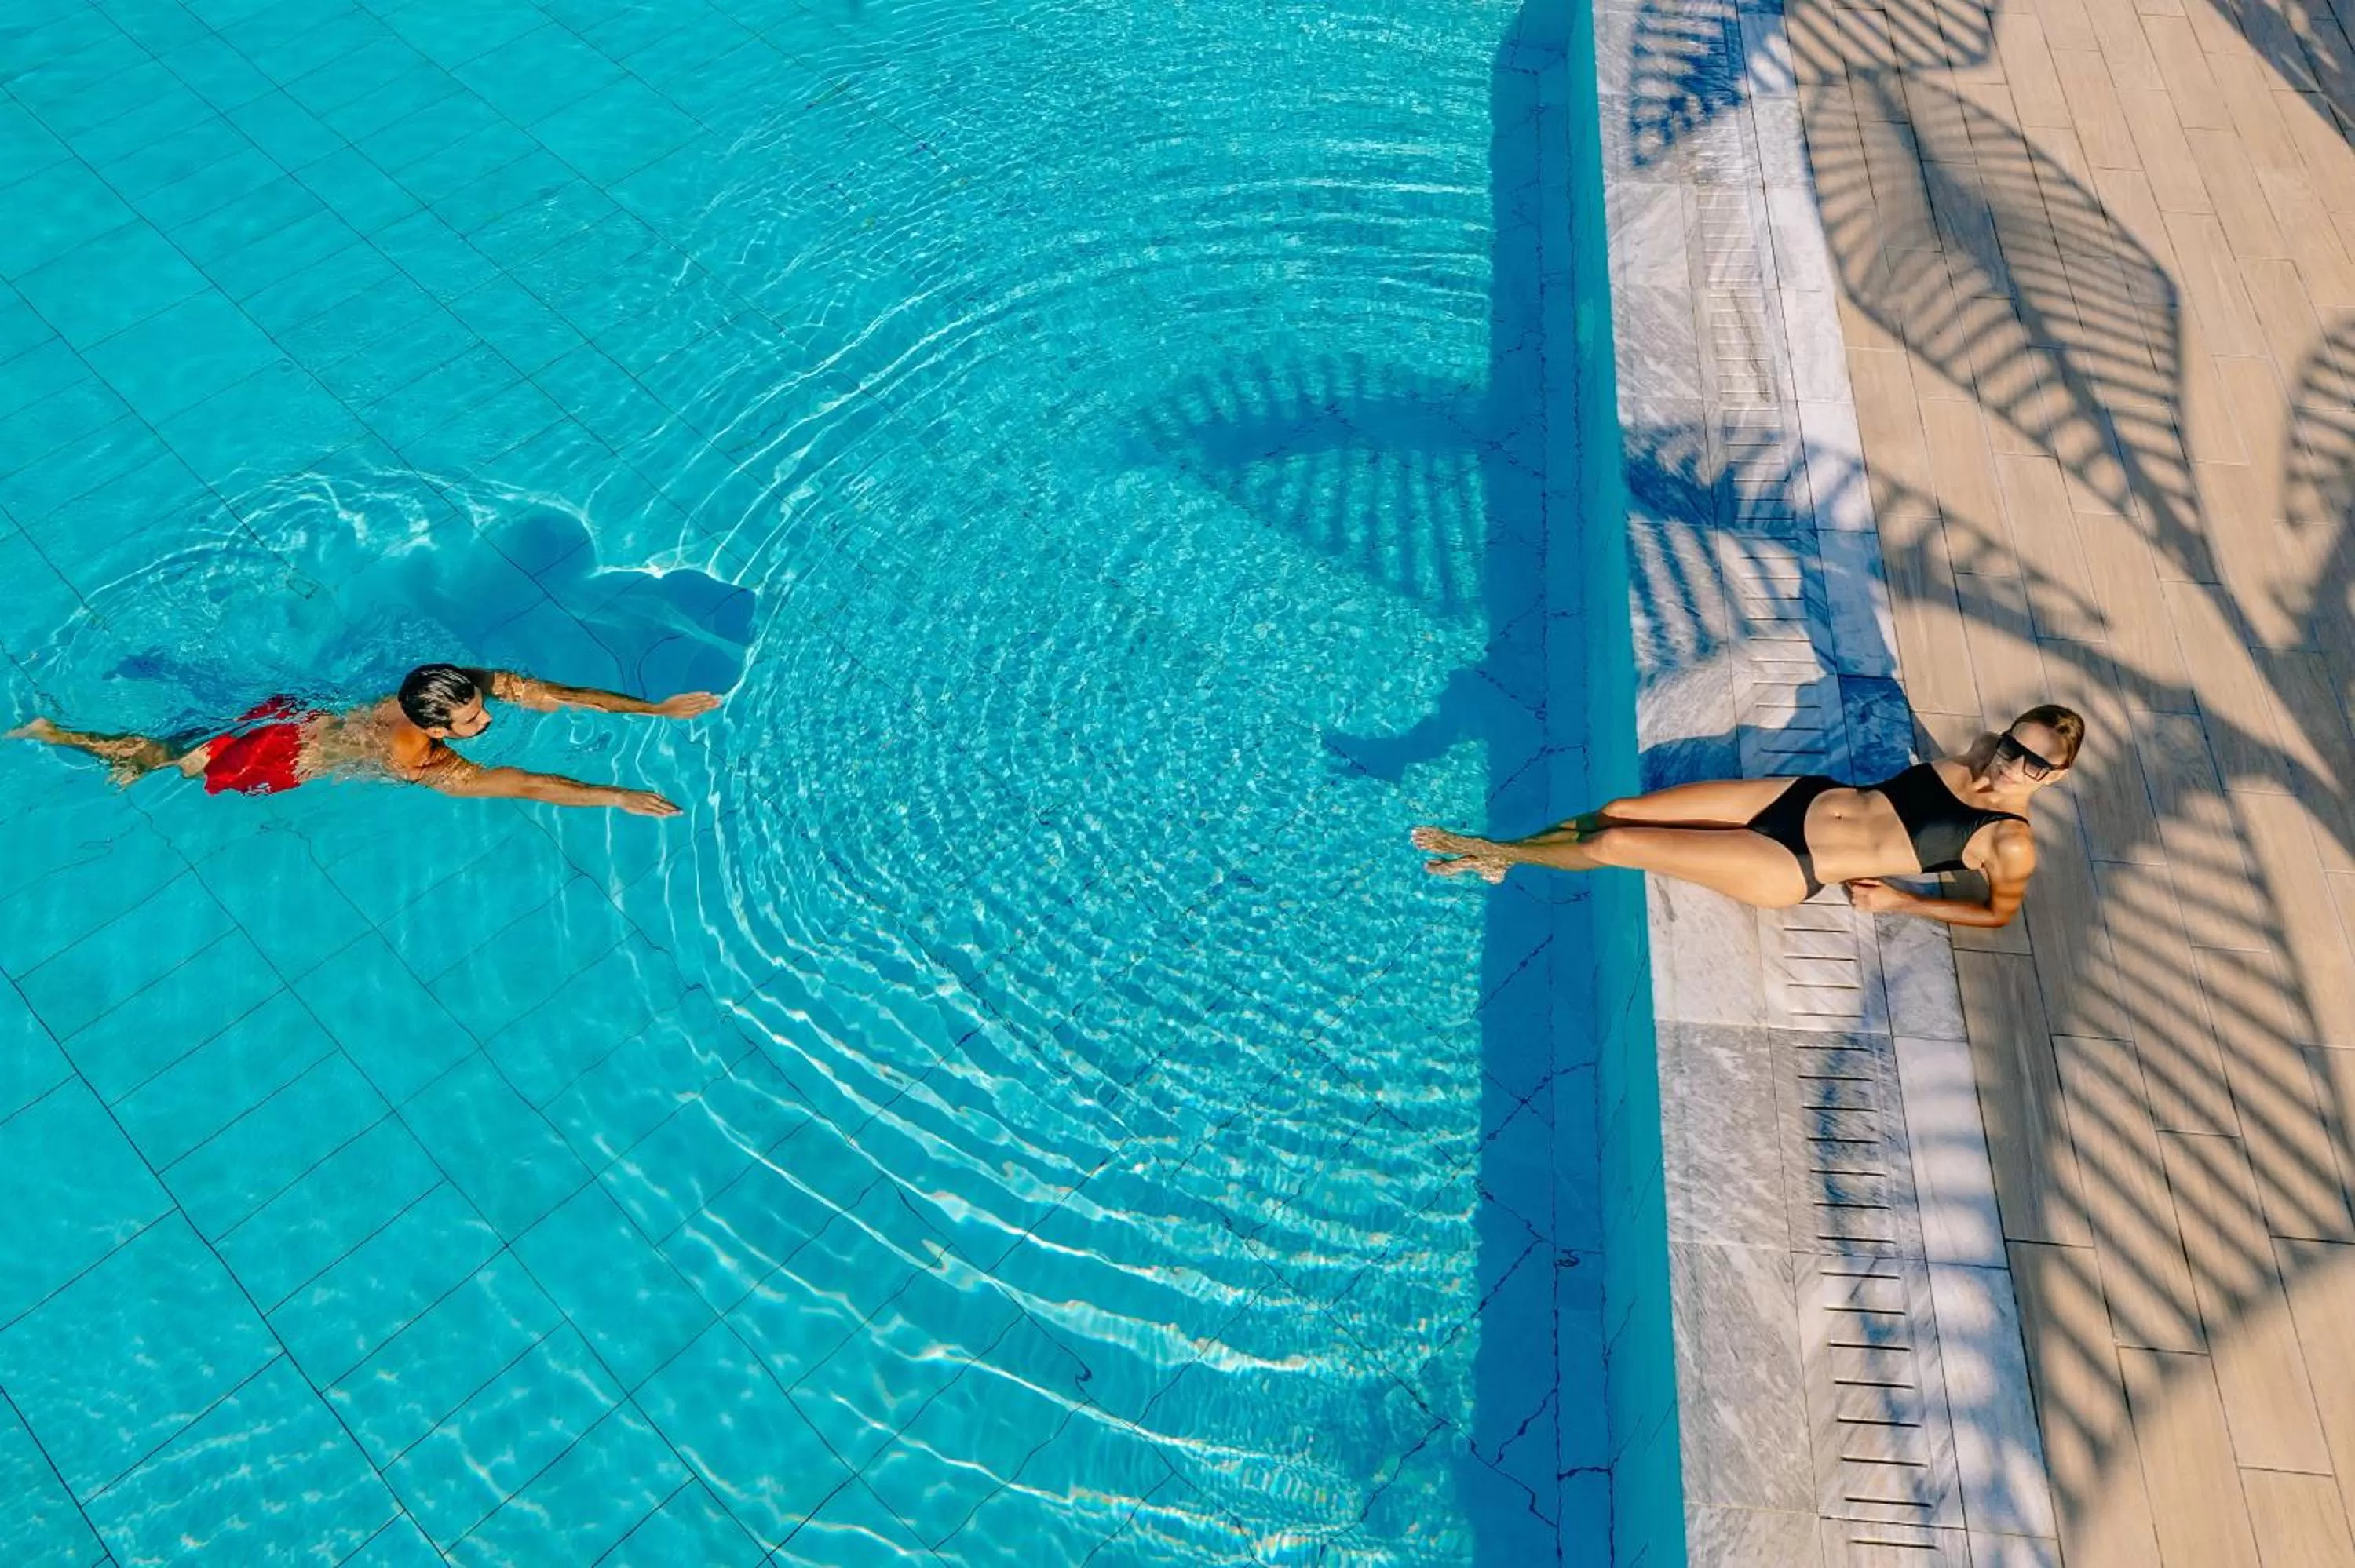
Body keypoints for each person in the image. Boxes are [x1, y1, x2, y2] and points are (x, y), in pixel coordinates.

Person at [1412, 705, 2084, 926]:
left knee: (1618, 842)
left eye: (2030, 762)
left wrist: (1902, 902)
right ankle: (1504, 859)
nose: (2008, 761)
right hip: (1799, 796)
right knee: (1620, 809)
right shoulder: (1974, 757)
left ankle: (1495, 853)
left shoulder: (2009, 843)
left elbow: (1997, 915)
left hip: (1793, 865)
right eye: (2012, 742)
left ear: (2054, 777)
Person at [10, 663, 721, 817]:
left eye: (479, 708)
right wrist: (616, 794)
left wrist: (656, 709)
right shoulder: (414, 755)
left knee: (188, 743)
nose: (486, 720)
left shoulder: (437, 685)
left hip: (291, 712)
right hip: (286, 753)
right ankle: (58, 733)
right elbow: (523, 783)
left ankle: (148, 738)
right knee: (169, 760)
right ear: (436, 726)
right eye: (473, 721)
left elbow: (562, 691)